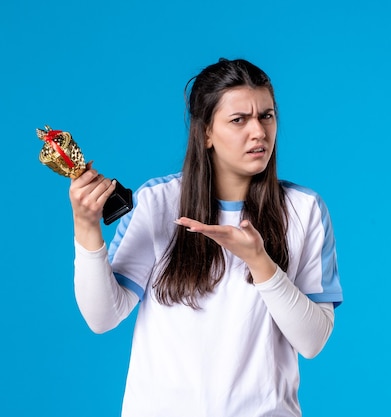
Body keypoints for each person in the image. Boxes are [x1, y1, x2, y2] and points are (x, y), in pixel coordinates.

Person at [69, 58, 343, 417]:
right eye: (239, 120)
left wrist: (261, 263)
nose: (258, 132)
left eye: (267, 116)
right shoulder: (157, 202)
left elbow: (313, 341)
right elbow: (102, 317)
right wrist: (86, 228)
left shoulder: (304, 209)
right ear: (206, 133)